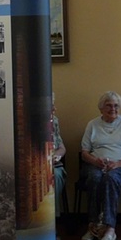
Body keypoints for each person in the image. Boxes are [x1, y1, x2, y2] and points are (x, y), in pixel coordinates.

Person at [78, 91, 121, 240]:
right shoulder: (92, 124)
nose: (113, 108)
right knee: (95, 177)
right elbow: (84, 153)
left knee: (111, 177)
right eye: (108, 105)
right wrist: (95, 161)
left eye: (116, 105)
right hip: (96, 165)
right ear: (101, 108)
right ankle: (93, 226)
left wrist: (120, 162)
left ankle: (109, 228)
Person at [51, 94, 67, 227]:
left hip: (53, 165)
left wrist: (56, 156)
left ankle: (52, 223)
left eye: (53, 104)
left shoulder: (54, 121)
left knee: (55, 176)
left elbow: (62, 147)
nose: (54, 108)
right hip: (33, 166)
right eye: (50, 105)